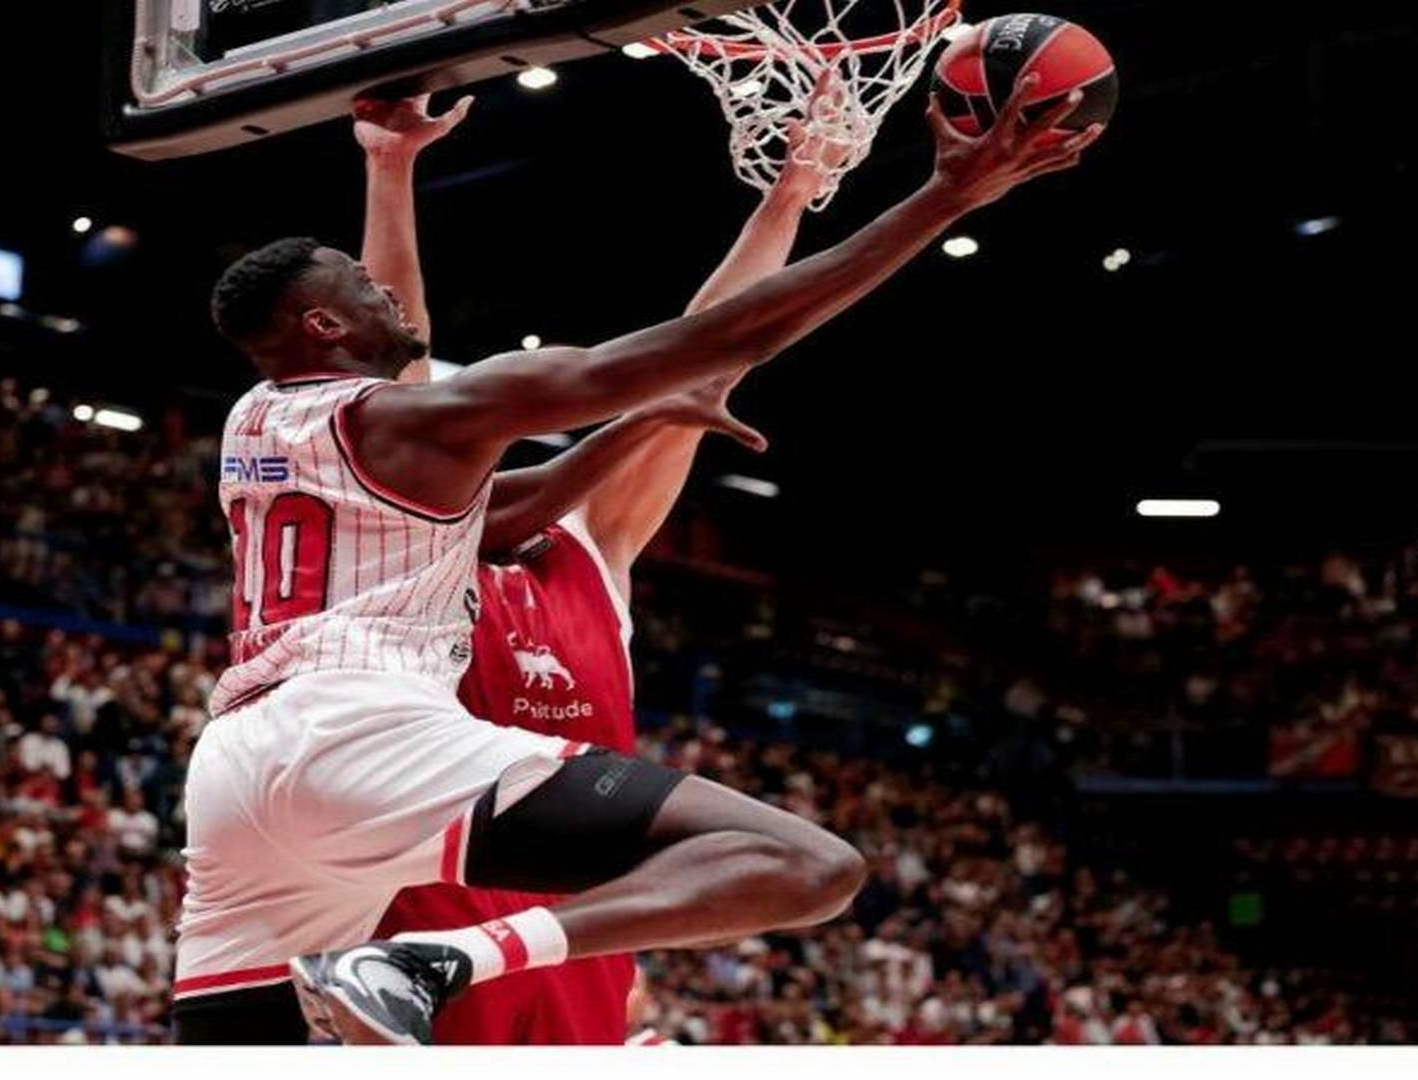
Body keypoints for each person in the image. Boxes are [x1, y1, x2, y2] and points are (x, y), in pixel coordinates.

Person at [175, 76, 1100, 1045]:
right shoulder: (410, 433)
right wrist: (945, 196)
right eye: (363, 290)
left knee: (234, 1043)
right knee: (808, 866)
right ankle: (432, 962)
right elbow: (721, 336)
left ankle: (424, 964)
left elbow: (519, 486)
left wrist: (645, 415)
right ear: (324, 326)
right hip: (394, 783)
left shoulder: (266, 424)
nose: (386, 293)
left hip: (248, 760)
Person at [355, 89, 850, 1044]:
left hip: (576, 925)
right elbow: (393, 363)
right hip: (427, 902)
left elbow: (712, 350)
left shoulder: (592, 538)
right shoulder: (406, 540)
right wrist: (389, 168)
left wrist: (789, 197)